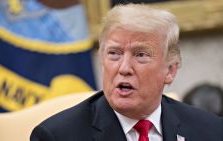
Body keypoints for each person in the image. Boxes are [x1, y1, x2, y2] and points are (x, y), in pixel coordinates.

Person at [30, 4, 223, 141]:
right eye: (114, 54)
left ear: (170, 70)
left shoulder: (211, 130)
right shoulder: (56, 136)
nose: (124, 68)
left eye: (140, 55)